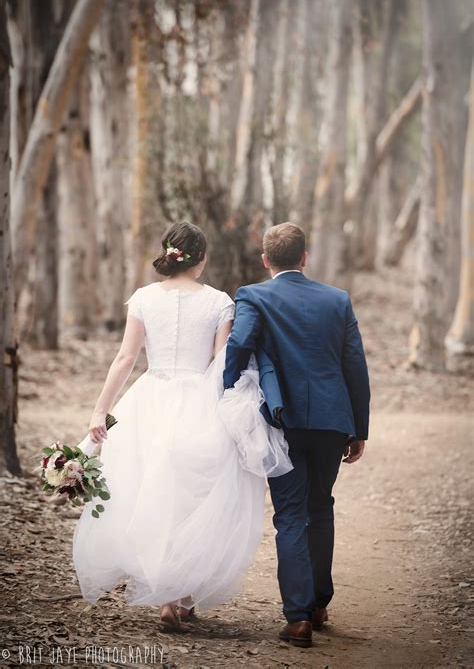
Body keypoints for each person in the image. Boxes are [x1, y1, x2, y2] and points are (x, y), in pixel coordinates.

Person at [73, 222, 292, 628]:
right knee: (193, 498)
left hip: (150, 399)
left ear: (169, 254)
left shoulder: (143, 298)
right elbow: (225, 362)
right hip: (199, 401)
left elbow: (125, 359)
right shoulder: (219, 302)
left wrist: (100, 411)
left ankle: (166, 594)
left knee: (152, 494)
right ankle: (182, 596)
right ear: (201, 260)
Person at [223, 222, 371, 649]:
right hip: (331, 420)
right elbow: (354, 367)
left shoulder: (253, 296)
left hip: (280, 419)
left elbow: (240, 344)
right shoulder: (337, 300)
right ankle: (320, 603)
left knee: (289, 514)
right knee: (320, 506)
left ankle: (299, 617)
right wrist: (358, 428)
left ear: (265, 260)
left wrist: (227, 389)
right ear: (305, 257)